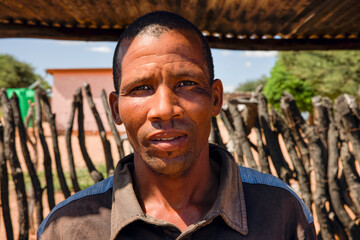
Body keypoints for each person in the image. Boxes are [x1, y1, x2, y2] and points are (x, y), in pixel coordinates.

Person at [37, 11, 316, 239]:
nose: (164, 110)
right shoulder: (66, 230)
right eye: (141, 88)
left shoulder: (281, 211)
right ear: (115, 109)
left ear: (215, 99)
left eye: (186, 84)